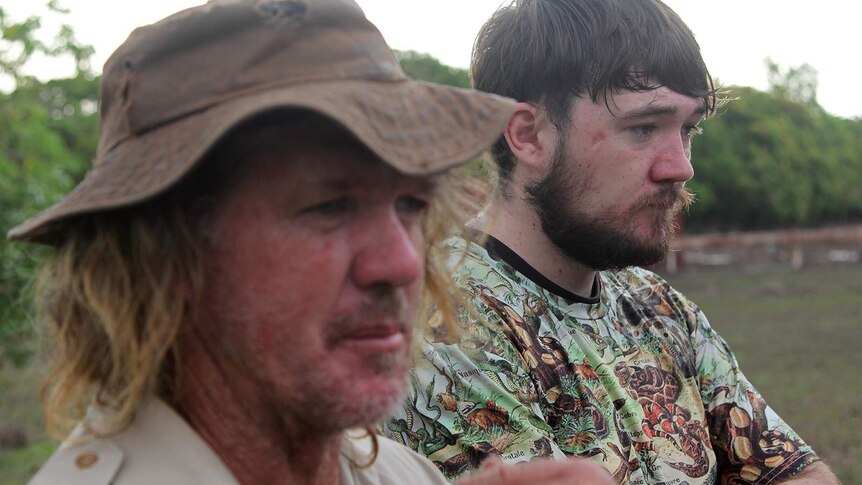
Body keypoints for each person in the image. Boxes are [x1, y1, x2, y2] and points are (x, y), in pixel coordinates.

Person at [9, 1, 618, 483]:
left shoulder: (393, 470)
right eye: (330, 207)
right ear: (164, 258)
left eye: (409, 204)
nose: (402, 263)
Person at [384, 0, 841, 483]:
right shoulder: (443, 317)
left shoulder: (659, 307)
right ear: (529, 136)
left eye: (688, 129)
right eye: (643, 128)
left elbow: (800, 475)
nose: (681, 166)